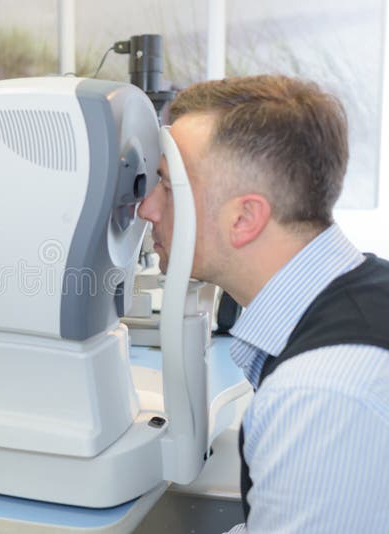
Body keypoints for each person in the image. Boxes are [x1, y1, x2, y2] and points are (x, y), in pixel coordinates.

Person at [137, 75, 389, 532]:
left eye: (168, 187)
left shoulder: (319, 397)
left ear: (244, 219)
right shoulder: (364, 289)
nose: (147, 209)